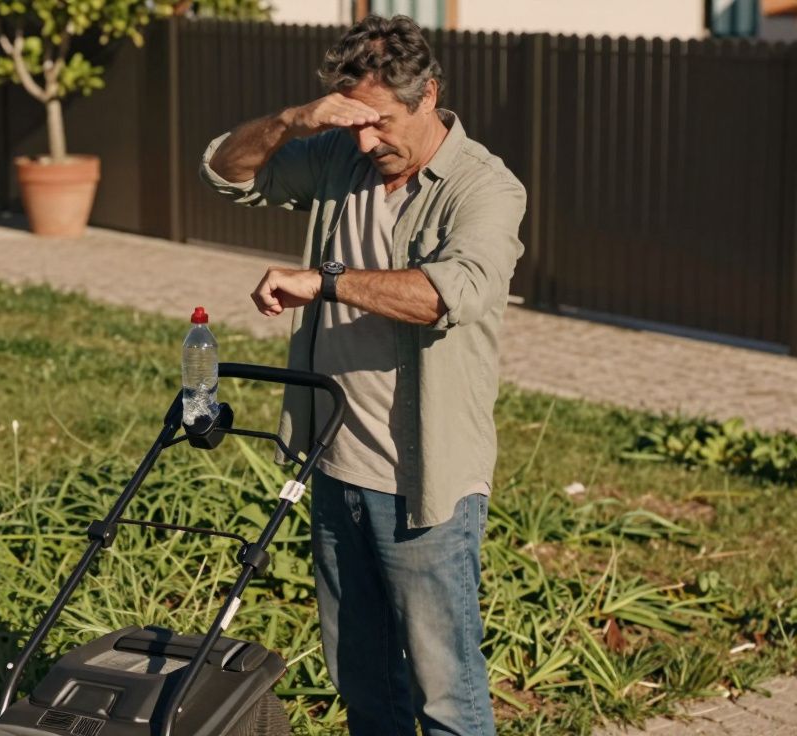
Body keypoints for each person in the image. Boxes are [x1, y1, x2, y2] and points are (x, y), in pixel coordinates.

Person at [199, 14, 525, 736]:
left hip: (425, 483)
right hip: (337, 465)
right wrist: (293, 120)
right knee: (363, 682)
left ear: (429, 93)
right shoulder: (342, 162)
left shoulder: (486, 187)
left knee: (446, 693)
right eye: (353, 126)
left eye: (381, 123)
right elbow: (226, 172)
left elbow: (451, 293)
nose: (368, 143)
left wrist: (326, 280)